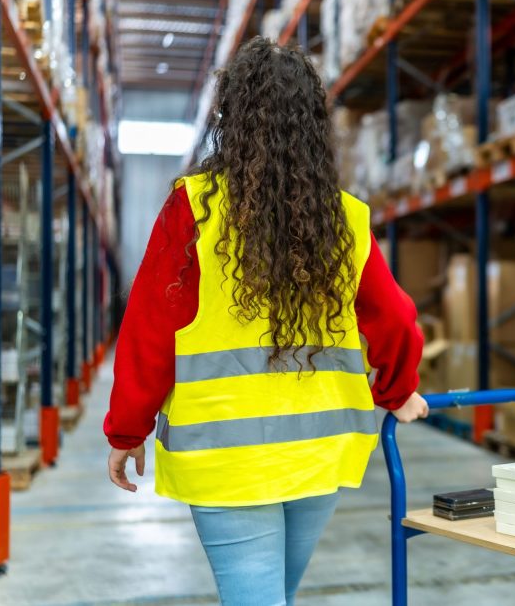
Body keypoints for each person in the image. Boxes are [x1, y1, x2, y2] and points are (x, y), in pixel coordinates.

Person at [104, 36, 428, 606]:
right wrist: (398, 390)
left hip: (226, 458)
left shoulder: (196, 208)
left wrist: (127, 430)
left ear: (232, 117)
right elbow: (396, 317)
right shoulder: (345, 219)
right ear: (312, 123)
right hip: (320, 452)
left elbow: (150, 330)